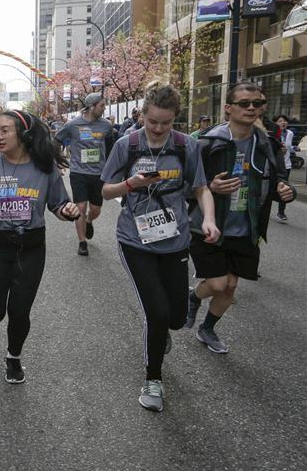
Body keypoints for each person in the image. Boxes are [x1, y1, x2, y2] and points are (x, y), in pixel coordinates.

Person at [101, 82, 220, 412]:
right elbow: (106, 192)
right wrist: (130, 184)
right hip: (135, 240)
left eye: (165, 123)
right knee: (156, 312)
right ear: (143, 113)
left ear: (175, 119)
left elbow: (201, 188)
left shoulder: (186, 146)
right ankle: (153, 379)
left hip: (175, 238)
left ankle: (164, 328)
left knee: (177, 317)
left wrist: (208, 218)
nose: (157, 129)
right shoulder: (128, 145)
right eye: (152, 121)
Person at [0, 110, 80, 384]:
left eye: (5, 130)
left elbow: (57, 204)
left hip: (30, 246)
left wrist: (68, 210)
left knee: (20, 310)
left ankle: (14, 357)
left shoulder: (45, 168)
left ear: (23, 133)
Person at [184, 82, 295, 355]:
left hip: (247, 228)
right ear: (228, 108)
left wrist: (285, 191)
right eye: (244, 103)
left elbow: (278, 180)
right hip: (207, 226)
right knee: (219, 283)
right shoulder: (208, 142)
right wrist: (210, 187)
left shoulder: (267, 143)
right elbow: (185, 185)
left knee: (231, 286)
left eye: (257, 103)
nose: (251, 108)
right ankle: (193, 296)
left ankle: (207, 328)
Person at [55, 92, 114, 256]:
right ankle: (82, 242)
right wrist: (58, 161)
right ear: (91, 107)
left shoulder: (107, 125)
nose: (104, 108)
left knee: (95, 209)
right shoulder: (72, 125)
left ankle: (89, 220)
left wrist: (111, 168)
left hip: (98, 173)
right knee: (80, 206)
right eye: (101, 105)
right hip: (78, 172)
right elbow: (57, 140)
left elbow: (111, 148)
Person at [274, 114, 293, 222]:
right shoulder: (272, 134)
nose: (283, 123)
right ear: (275, 123)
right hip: (274, 166)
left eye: (285, 121)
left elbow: (290, 148)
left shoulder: (290, 133)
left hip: (287, 165)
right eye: (280, 121)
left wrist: (295, 148)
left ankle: (281, 212)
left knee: (284, 187)